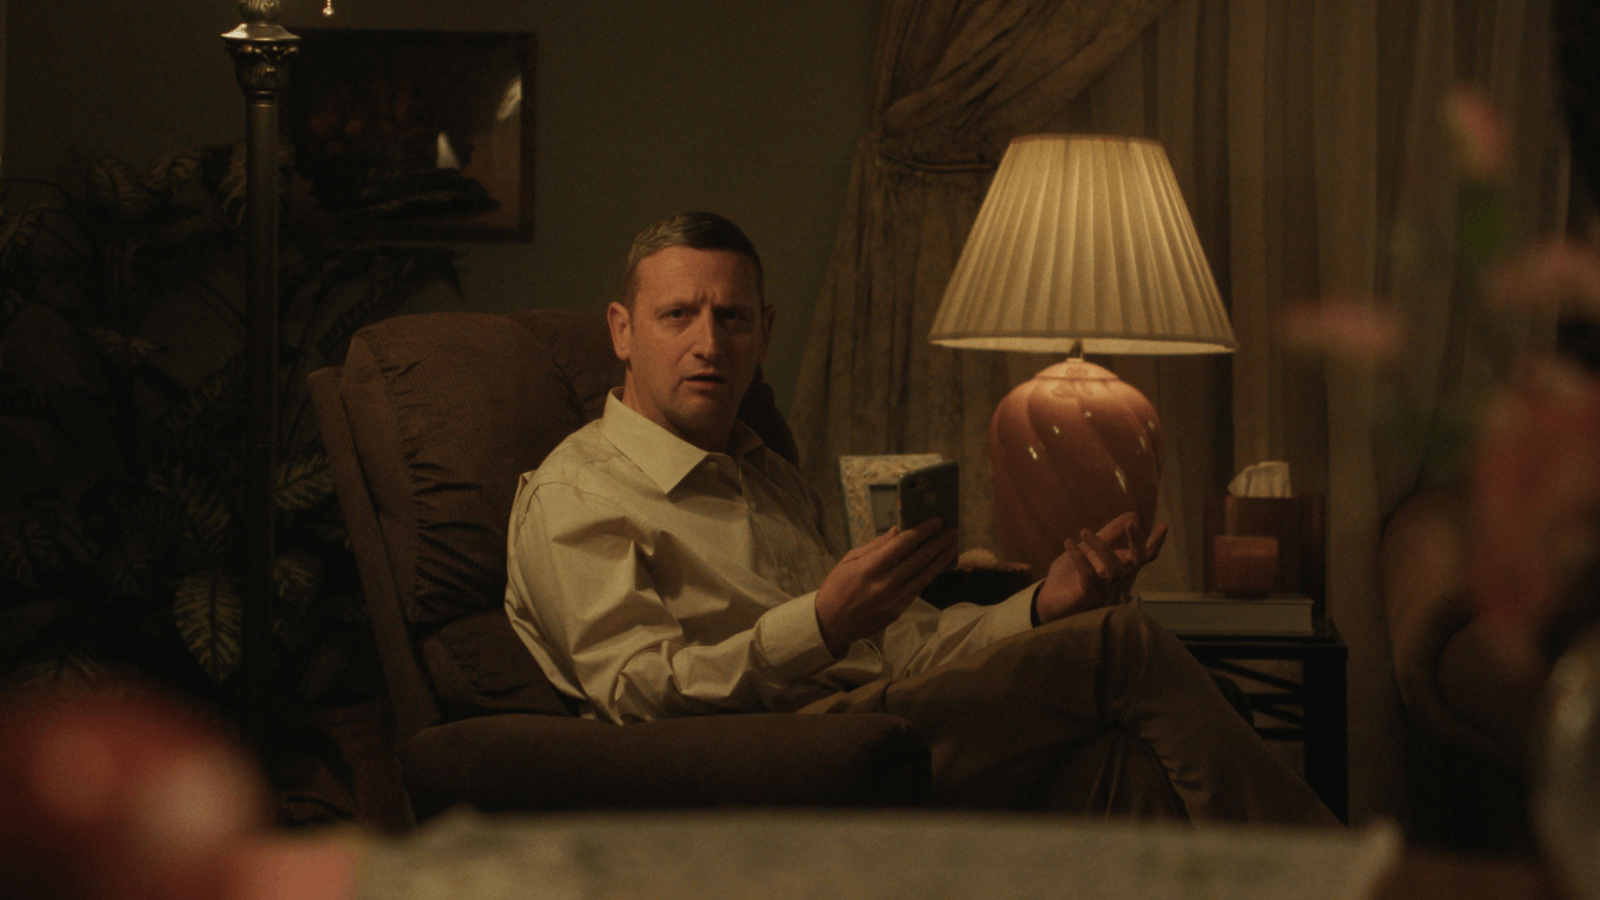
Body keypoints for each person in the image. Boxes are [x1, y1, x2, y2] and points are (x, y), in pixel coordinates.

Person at [504, 211, 1335, 824]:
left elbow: (896, 644)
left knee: (1119, 772)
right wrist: (818, 625)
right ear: (622, 331)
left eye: (733, 317)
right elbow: (633, 697)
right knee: (1123, 645)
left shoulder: (767, 475)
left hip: (880, 715)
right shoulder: (579, 494)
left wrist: (1042, 606)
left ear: (765, 332)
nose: (709, 344)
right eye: (677, 315)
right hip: (765, 753)